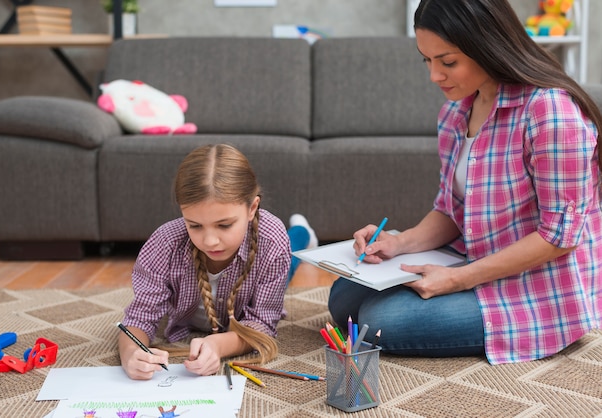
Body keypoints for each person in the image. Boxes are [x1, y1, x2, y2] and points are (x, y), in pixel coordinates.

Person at [328, 0, 601, 365]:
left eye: (447, 62)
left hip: (537, 284)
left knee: (379, 321)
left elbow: (559, 238)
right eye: (427, 60)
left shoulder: (550, 112)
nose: (434, 76)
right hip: (474, 255)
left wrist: (457, 280)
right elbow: (451, 210)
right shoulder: (456, 113)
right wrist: (399, 243)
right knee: (343, 298)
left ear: (486, 46)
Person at [119, 144, 317, 379]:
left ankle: (302, 232)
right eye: (194, 225)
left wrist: (219, 345)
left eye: (224, 225)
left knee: (291, 257)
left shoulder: (271, 240)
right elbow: (139, 317)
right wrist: (131, 353)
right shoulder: (165, 242)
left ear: (252, 208)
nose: (210, 241)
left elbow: (263, 323)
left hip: (268, 250)